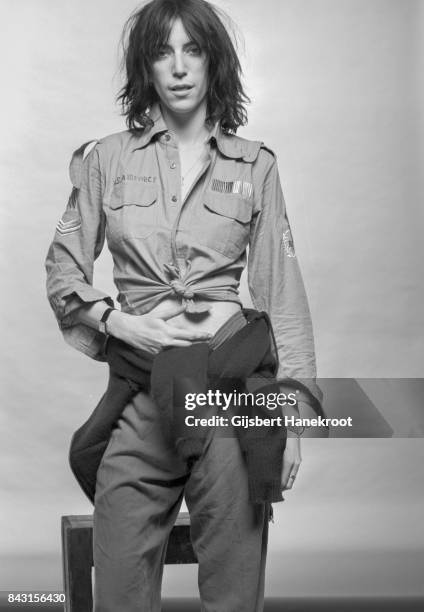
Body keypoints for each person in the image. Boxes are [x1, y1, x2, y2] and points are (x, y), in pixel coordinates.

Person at [45, 0, 322, 610]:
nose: (177, 67)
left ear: (213, 62)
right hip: (144, 398)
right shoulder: (106, 160)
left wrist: (292, 420)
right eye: (161, 51)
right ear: (146, 66)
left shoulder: (257, 166)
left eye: (192, 50)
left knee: (233, 586)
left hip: (226, 399)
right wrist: (121, 324)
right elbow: (63, 270)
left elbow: (284, 297)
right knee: (117, 586)